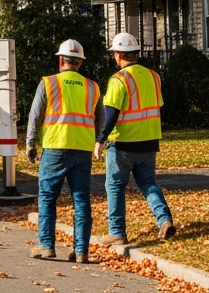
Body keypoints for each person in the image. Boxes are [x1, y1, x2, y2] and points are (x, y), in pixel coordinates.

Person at [27, 39, 104, 263]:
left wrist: (30, 142)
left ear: (61, 60)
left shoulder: (49, 83)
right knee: (81, 200)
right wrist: (99, 140)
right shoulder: (93, 87)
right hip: (82, 149)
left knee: (48, 198)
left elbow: (35, 114)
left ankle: (47, 246)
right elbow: (101, 119)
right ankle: (81, 252)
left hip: (55, 147)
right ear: (79, 63)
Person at [95, 32, 176, 245]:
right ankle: (164, 219)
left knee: (115, 186)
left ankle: (117, 232)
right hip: (149, 142)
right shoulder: (153, 76)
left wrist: (100, 139)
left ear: (119, 55)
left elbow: (111, 114)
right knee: (148, 183)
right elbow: (157, 107)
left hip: (122, 144)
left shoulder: (118, 79)